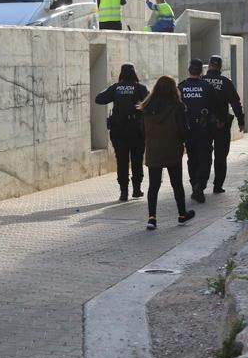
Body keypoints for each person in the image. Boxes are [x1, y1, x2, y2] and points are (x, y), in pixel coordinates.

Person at [138, 75, 195, 230]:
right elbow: (184, 130)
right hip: (173, 150)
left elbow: (142, 131)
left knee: (153, 185)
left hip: (153, 150)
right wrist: (187, 143)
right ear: (173, 89)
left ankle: (152, 218)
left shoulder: (146, 108)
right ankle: (182, 215)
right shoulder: (177, 107)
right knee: (177, 184)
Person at [95, 63, 148, 200]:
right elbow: (150, 102)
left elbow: (99, 99)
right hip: (136, 130)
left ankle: (123, 191)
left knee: (122, 160)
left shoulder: (115, 88)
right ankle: (137, 189)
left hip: (119, 130)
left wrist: (113, 89)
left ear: (121, 74)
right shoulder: (140, 88)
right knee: (137, 159)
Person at [179, 58, 222, 203]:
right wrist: (220, 120)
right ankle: (200, 185)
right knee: (205, 158)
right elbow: (218, 105)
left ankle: (194, 185)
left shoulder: (181, 87)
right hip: (204, 129)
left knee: (192, 158)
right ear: (201, 71)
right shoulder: (207, 86)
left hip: (188, 129)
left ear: (189, 70)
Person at [203, 55, 246, 193]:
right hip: (222, 124)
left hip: (204, 125)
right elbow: (235, 103)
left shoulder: (201, 81)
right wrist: (241, 120)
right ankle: (217, 185)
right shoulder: (225, 81)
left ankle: (200, 184)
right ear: (220, 67)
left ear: (209, 65)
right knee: (221, 156)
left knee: (204, 155)